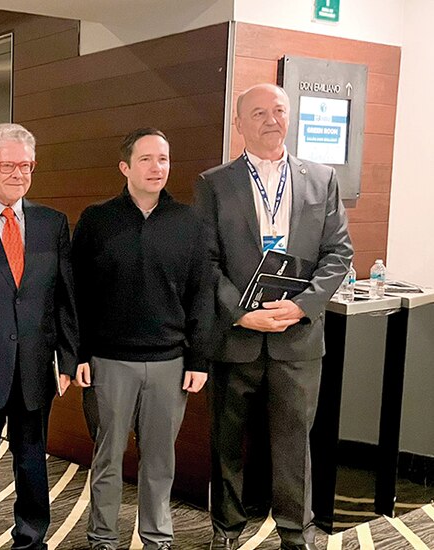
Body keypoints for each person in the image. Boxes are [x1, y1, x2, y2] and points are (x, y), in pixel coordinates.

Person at [196, 84, 352, 550]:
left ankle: (296, 533)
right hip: (236, 338)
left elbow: (338, 252)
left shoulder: (321, 179)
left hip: (297, 337)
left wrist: (303, 305)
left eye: (279, 111)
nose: (271, 120)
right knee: (226, 442)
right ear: (239, 123)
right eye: (259, 112)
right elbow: (204, 262)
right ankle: (226, 530)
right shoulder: (213, 183)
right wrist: (241, 314)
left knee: (294, 444)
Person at [71, 128, 211, 550]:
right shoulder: (97, 220)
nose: (156, 167)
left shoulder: (189, 222)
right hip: (109, 361)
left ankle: (157, 537)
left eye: (163, 159)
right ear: (125, 167)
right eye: (146, 159)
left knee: (159, 461)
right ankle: (102, 537)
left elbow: (201, 294)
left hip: (170, 363)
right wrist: (79, 353)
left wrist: (198, 360)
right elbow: (77, 294)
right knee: (107, 458)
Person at [0, 123, 78, 550]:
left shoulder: (52, 223)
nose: (18, 174)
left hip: (34, 365)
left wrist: (67, 358)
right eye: (8, 165)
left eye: (26, 166)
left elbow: (64, 297)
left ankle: (31, 538)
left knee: (32, 461)